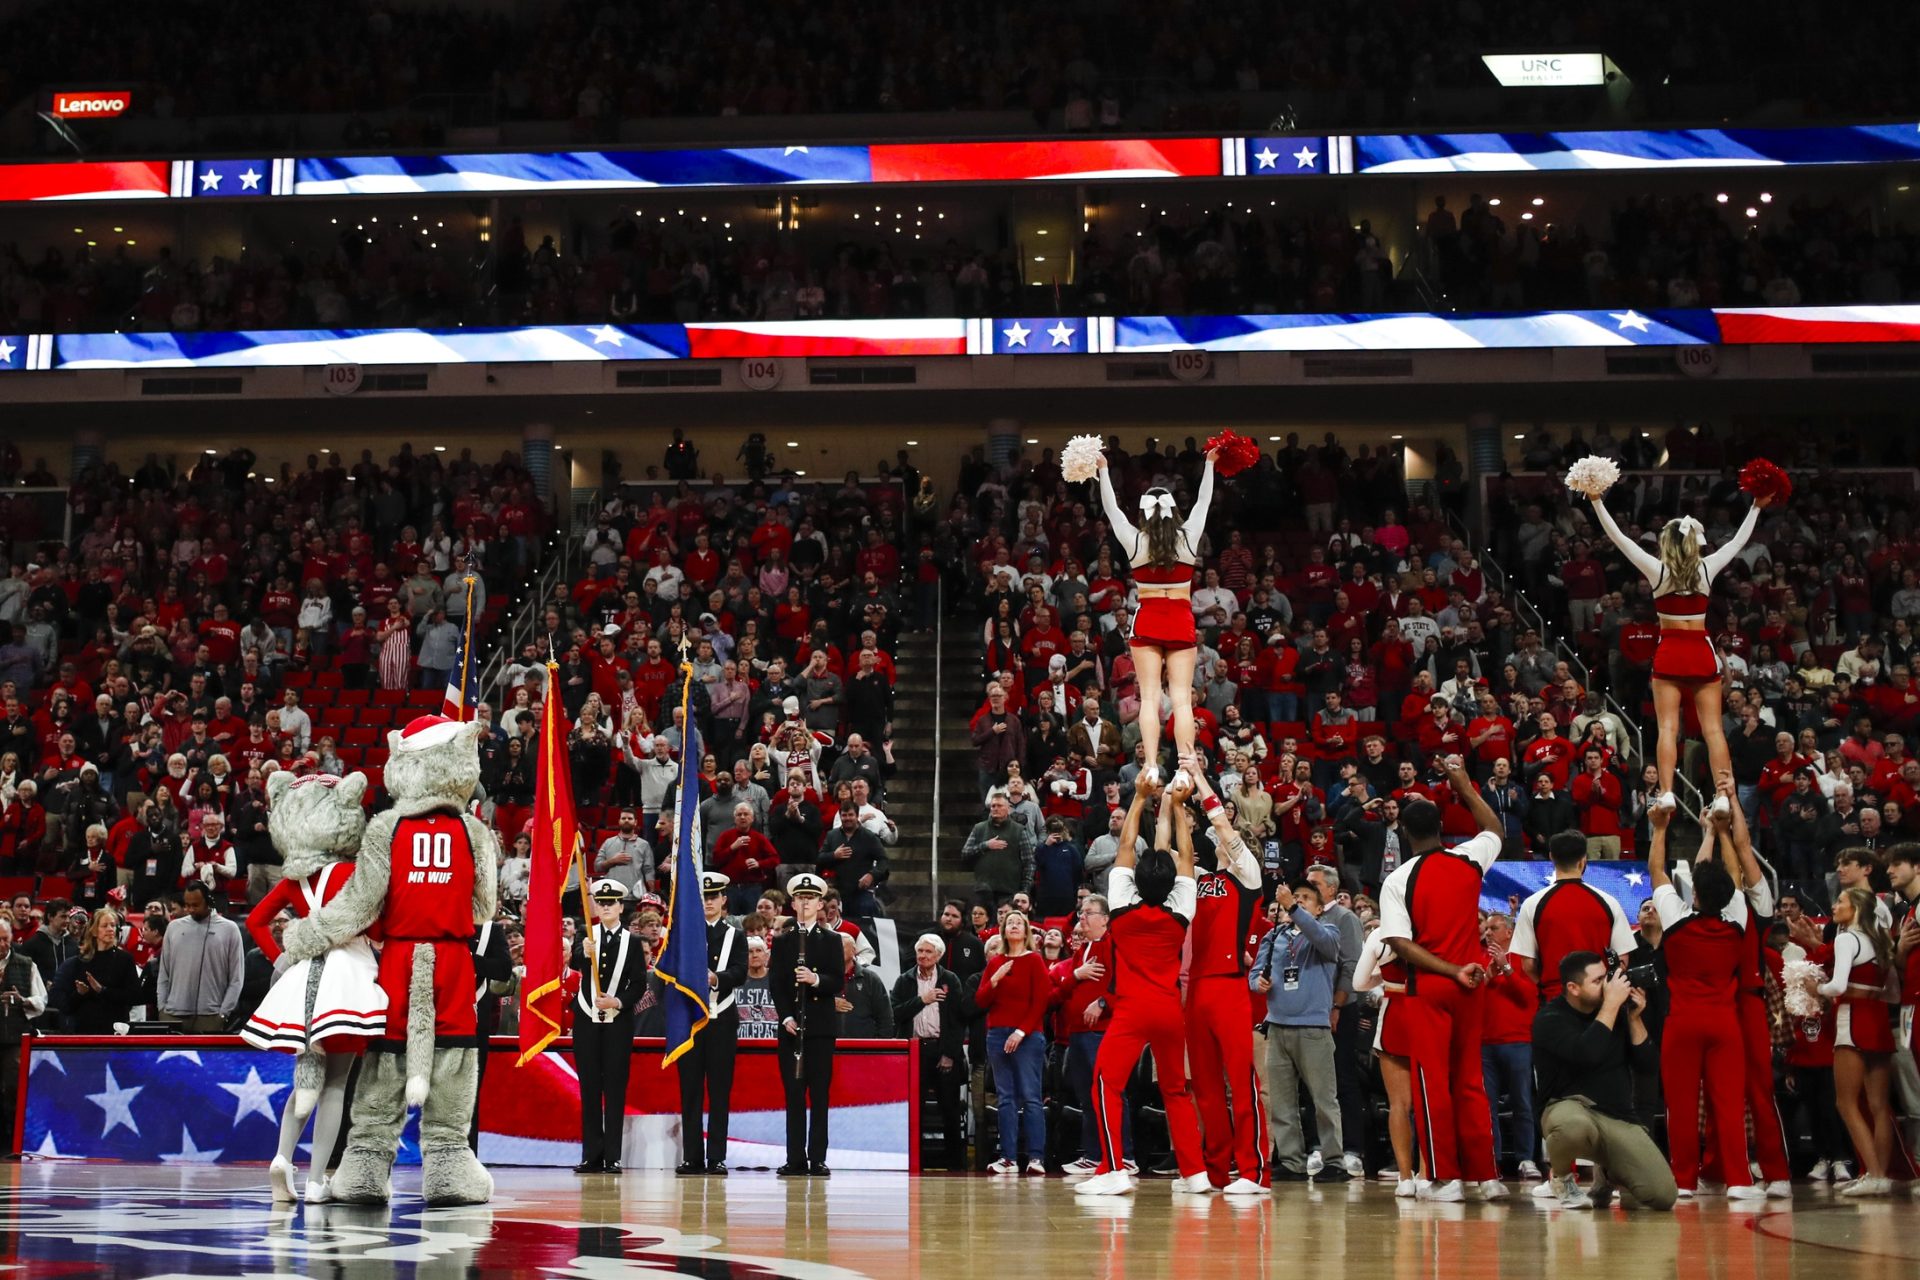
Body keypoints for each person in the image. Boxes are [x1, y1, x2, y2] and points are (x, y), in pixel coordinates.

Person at [1585, 485, 1769, 810]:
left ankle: (1667, 792)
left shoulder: (1658, 571)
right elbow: (1738, 541)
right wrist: (1755, 506)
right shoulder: (1706, 568)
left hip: (1670, 650)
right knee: (1713, 730)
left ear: (1665, 543)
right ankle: (1723, 796)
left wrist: (1598, 501)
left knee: (1668, 728)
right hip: (1700, 650)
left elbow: (1620, 539)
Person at [1375, 755, 1505, 1202]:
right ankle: (1487, 1178)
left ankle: (1446, 1178)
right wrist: (1464, 785)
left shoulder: (1398, 879)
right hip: (1473, 985)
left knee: (1433, 1083)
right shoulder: (1468, 859)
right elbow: (1495, 831)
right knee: (1471, 1081)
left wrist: (1448, 968)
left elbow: (1398, 941)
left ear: (1403, 833)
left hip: (1430, 988)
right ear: (1443, 827)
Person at [1075, 773, 1208, 1197]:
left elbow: (1128, 844)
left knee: (1105, 1084)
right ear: (1172, 882)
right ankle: (1195, 1173)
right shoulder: (1182, 909)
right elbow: (1185, 853)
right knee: (1176, 1090)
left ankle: (1113, 1169)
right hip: (1171, 1009)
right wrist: (1182, 809)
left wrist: (1138, 798)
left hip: (1133, 1010)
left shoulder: (1120, 908)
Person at [1645, 804, 1764, 1198]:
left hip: (1682, 1024)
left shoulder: (1676, 920)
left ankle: (1683, 1182)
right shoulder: (1737, 918)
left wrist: (1660, 829)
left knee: (1680, 1105)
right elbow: (1731, 877)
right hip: (1724, 1024)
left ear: (1693, 894)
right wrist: (1723, 833)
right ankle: (1740, 1181)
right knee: (1730, 1104)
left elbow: (1657, 873)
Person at [1093, 447, 1218, 779]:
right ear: (1175, 510)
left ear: (1145, 513)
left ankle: (1149, 765)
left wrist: (1103, 471)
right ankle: (1186, 764)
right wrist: (1209, 464)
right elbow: (1204, 501)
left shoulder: (1136, 541)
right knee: (1181, 700)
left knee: (1148, 698)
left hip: (1148, 619)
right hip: (1180, 620)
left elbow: (1112, 510)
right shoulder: (1189, 537)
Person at [1531, 952, 1678, 1210]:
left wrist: (1634, 1019)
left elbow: (1648, 1065)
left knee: (1662, 1195)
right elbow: (1587, 1053)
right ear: (1573, 988)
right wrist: (1611, 1006)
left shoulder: (1616, 1011)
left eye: (1606, 977)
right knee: (1573, 1127)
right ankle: (1562, 1178)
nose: (1609, 985)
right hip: (1568, 1108)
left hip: (1616, 1116)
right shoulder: (1549, 1019)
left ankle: (1612, 1173)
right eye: (1598, 981)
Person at [1184, 763, 1270, 1193]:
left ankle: (1253, 1171)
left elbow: (1220, 819)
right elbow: (1176, 850)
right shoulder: (1200, 879)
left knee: (1240, 1079)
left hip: (1230, 984)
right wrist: (1172, 801)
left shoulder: (1247, 875)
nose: (1218, 835)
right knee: (1204, 1086)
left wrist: (1198, 777)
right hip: (1195, 988)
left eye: (1227, 837)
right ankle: (1215, 1172)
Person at [1251, 877, 1343, 1182]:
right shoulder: (1274, 936)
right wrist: (1258, 983)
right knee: (1282, 1101)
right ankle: (1291, 1161)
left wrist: (1292, 905)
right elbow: (1254, 973)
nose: (1299, 901)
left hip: (1313, 1028)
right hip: (1277, 1027)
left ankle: (1334, 1160)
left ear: (1318, 908)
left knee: (1323, 1100)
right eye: (1296, 897)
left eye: (1306, 898)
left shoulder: (1327, 932)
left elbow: (1325, 943)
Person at [1818, 884, 1899, 1195]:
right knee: (1879, 1106)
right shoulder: (1880, 941)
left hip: (1851, 1019)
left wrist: (1816, 989)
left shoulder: (1846, 939)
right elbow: (1891, 992)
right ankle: (1881, 1175)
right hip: (1877, 1020)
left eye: (1840, 901)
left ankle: (1875, 1174)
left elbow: (1837, 986)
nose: (1835, 906)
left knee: (1846, 1102)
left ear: (1857, 909)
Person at [570, 879, 647, 1174]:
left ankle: (612, 1155)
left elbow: (639, 984)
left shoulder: (632, 942)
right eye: (601, 903)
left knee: (614, 1089)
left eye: (611, 903)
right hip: (587, 1021)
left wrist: (617, 1002)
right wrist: (582, 952)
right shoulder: (587, 936)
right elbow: (575, 963)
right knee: (589, 1088)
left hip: (618, 1023)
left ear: (620, 907)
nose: (605, 907)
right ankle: (592, 1154)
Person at [772, 872, 844, 1177]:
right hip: (792, 1028)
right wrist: (786, 1016)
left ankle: (818, 1158)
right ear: (792, 903)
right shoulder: (784, 940)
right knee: (793, 1094)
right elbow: (776, 983)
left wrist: (815, 979)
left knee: (820, 1095)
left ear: (820, 903)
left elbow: (837, 980)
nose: (805, 903)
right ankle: (794, 1158)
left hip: (820, 1029)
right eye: (800, 899)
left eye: (811, 898)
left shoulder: (831, 939)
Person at [676, 871, 748, 1176]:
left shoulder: (736, 935)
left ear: (723, 900)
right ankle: (692, 1156)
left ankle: (716, 1156)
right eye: (704, 897)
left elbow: (741, 972)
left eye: (714, 897)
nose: (708, 902)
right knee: (690, 1091)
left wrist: (717, 978)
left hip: (721, 1019)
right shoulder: (684, 933)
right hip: (691, 1021)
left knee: (719, 1091)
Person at [1509, 830, 1636, 1002]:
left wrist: (1548, 987)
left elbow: (1528, 964)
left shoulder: (1532, 904)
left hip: (1555, 998)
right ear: (1584, 859)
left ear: (1551, 857)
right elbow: (1622, 959)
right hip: (1600, 1001)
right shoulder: (1608, 902)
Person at [974, 907, 1050, 1174]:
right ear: (1004, 930)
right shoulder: (995, 963)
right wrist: (994, 979)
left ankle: (1036, 1157)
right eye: (1010, 923)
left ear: (1026, 930)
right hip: (996, 1034)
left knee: (1030, 1096)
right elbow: (981, 1000)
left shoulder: (1034, 961)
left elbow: (1041, 1001)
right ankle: (1007, 1158)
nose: (1014, 926)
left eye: (1019, 922)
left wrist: (1020, 1032)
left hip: (1027, 1036)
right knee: (1005, 1097)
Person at [892, 933, 968, 1172]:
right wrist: (921, 1000)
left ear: (939, 955)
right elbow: (895, 1013)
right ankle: (917, 1162)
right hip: (915, 1050)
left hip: (943, 1050)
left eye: (928, 952)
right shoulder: (904, 981)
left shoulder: (950, 980)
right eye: (920, 951)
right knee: (916, 1109)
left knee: (950, 1109)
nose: (923, 956)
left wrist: (949, 1053)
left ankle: (954, 1164)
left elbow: (958, 1020)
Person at [156, 881, 244, 1032]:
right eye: (187, 905)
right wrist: (162, 1007)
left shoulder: (230, 929)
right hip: (172, 1014)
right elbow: (164, 972)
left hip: (211, 1017)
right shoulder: (173, 927)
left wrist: (223, 1013)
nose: (190, 909)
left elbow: (236, 978)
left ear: (209, 902)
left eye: (195, 905)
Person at [0, 916, 45, 1149]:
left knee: (14, 1090)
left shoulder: (26, 964)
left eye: (5, 939)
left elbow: (41, 1001)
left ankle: (12, 1141)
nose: (2, 945)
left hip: (15, 1037)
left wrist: (22, 1000)